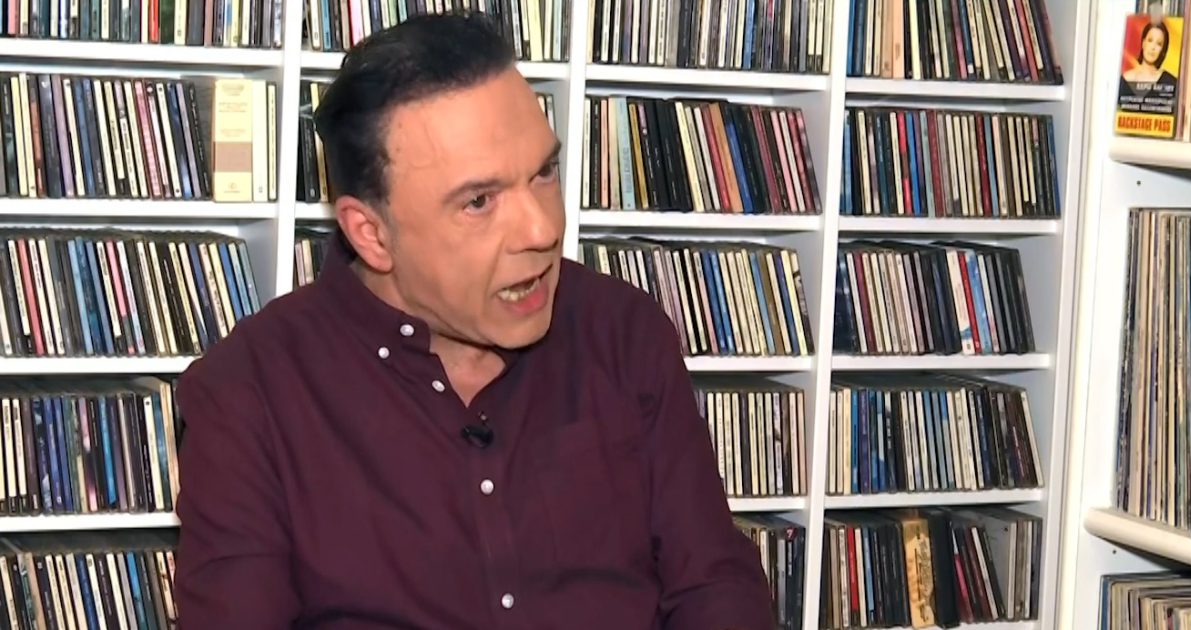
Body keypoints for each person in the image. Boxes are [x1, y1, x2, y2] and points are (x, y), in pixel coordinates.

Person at [173, 10, 775, 630]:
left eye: (543, 173)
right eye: (479, 202)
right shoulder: (248, 394)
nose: (542, 229)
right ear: (372, 234)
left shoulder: (625, 333)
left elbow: (714, 586)